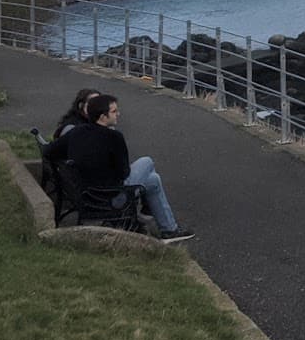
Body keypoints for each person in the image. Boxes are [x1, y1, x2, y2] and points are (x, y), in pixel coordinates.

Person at [46, 93, 194, 243]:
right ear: (103, 116)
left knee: (153, 180)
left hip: (84, 193)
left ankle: (169, 230)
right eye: (114, 111)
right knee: (147, 162)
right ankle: (165, 227)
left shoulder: (77, 132)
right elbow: (124, 173)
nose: (118, 114)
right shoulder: (114, 137)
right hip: (110, 198)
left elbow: (50, 151)